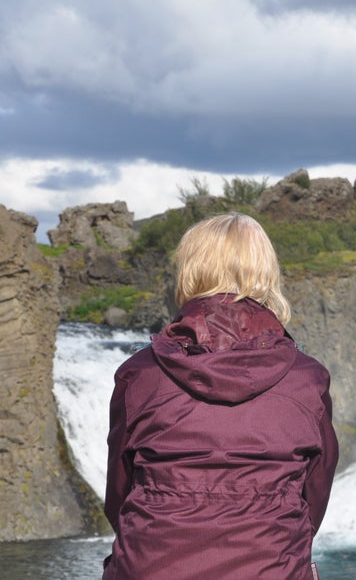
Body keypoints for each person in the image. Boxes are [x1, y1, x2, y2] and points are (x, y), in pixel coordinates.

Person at [103, 213, 338, 580]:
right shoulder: (306, 379)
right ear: (266, 273)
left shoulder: (141, 373)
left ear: (190, 271)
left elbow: (118, 494)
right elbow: (315, 495)